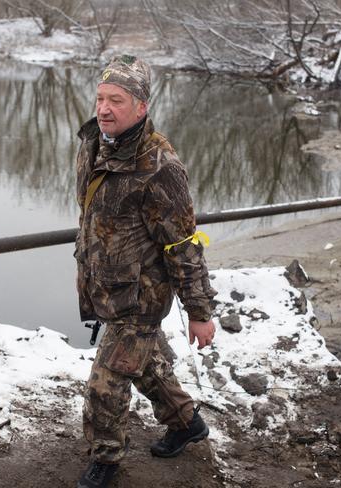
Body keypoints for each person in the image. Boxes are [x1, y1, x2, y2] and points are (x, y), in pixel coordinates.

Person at [74, 54, 218, 488]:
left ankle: (106, 461)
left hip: (141, 296)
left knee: (108, 381)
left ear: (141, 106)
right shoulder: (94, 143)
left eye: (116, 100)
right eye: (100, 98)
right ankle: (185, 422)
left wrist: (199, 310)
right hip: (105, 283)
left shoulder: (161, 167)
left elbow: (183, 245)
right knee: (146, 363)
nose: (103, 108)